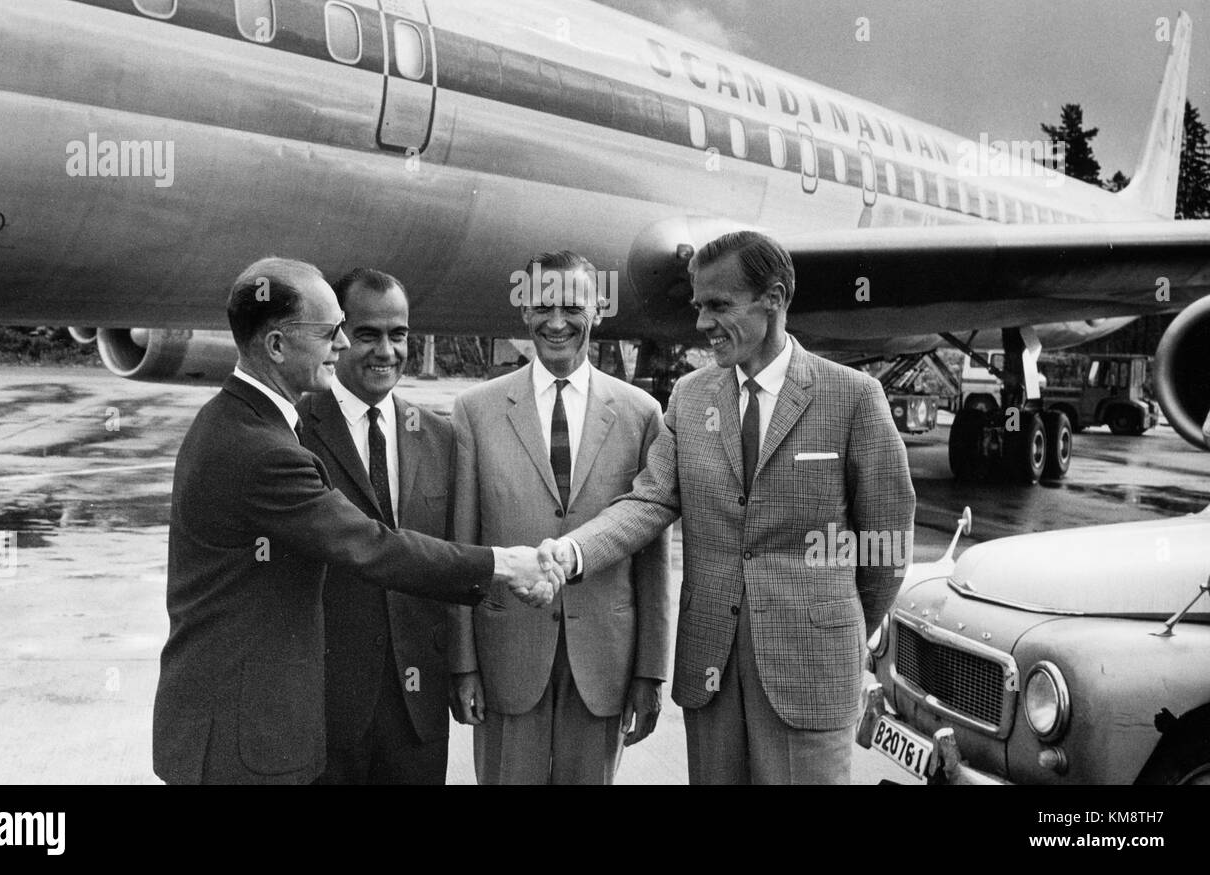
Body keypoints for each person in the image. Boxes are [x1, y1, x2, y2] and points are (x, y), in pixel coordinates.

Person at [152, 257, 559, 785]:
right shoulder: (266, 450)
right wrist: (505, 564)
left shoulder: (235, 419)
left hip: (253, 723)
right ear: (276, 345)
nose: (342, 345)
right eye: (330, 332)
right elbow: (370, 545)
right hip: (246, 735)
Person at [540, 231, 915, 785]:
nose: (702, 323)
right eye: (699, 306)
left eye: (719, 305)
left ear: (774, 299)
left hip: (810, 671)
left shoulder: (853, 397)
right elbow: (649, 499)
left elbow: (886, 546)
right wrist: (572, 553)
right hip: (710, 670)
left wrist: (834, 622)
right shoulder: (690, 397)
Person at [450, 250, 671, 784]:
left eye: (572, 307)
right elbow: (463, 545)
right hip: (507, 656)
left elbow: (652, 558)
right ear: (524, 311)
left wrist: (650, 671)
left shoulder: (641, 413)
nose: (556, 322)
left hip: (604, 662)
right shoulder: (475, 411)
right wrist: (463, 662)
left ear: (598, 310)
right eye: (543, 306)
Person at [296, 268, 455, 785]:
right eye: (368, 334)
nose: (386, 351)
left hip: (418, 707)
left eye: (398, 334)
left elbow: (451, 560)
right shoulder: (294, 432)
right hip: (323, 707)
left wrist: (464, 669)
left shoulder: (441, 437)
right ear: (338, 336)